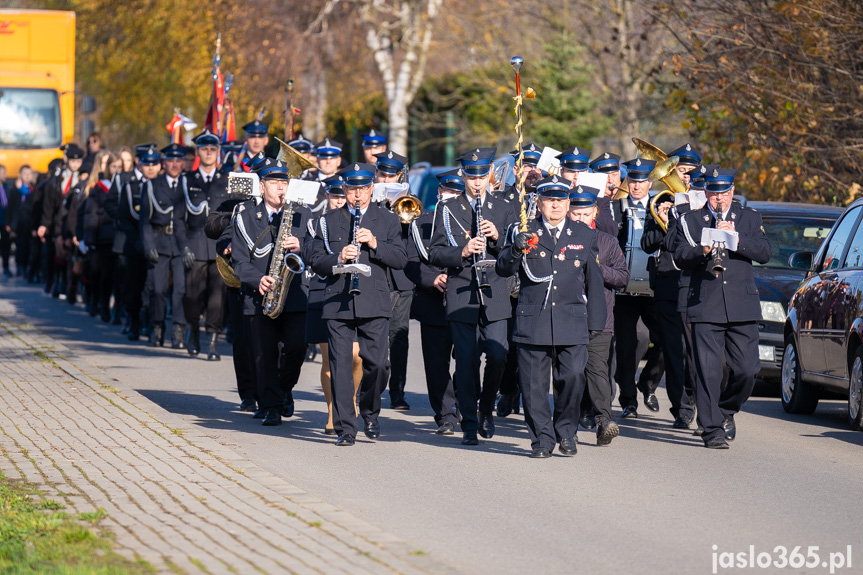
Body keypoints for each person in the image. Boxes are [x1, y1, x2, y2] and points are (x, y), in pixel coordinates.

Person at [496, 176, 606, 457]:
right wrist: (515, 249)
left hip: (572, 319)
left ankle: (566, 432)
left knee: (572, 378)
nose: (555, 205)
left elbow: (593, 280)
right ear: (540, 202)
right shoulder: (524, 231)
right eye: (549, 199)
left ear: (568, 203)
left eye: (560, 200)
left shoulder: (583, 234)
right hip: (534, 319)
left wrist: (597, 321)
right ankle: (542, 440)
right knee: (533, 386)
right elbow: (503, 269)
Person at [307, 162, 408, 446]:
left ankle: (370, 410)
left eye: (363, 189)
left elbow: (400, 259)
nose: (357, 195)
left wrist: (375, 243)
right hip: (338, 301)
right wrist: (337, 258)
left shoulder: (386, 220)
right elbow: (314, 259)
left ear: (371, 189)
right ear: (345, 190)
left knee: (378, 364)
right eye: (352, 189)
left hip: (374, 300)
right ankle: (345, 429)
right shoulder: (327, 221)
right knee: (340, 366)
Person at [673, 168, 771, 448]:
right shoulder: (690, 221)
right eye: (714, 193)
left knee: (747, 370)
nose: (720, 199)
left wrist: (737, 238)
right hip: (705, 303)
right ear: (706, 193)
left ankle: (725, 411)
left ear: (732, 190)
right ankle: (712, 429)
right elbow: (679, 256)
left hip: (742, 303)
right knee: (708, 370)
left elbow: (764, 253)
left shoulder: (749, 218)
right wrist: (701, 250)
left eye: (725, 193)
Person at [428, 148, 519, 445]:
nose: (477, 182)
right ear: (463, 175)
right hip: (462, 293)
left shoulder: (506, 205)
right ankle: (468, 422)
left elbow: (515, 253)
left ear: (490, 172)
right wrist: (462, 252)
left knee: (498, 356)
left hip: (495, 291)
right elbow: (435, 252)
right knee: (466, 361)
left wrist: (497, 237)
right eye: (471, 176)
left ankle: (486, 408)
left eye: (482, 175)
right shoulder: (448, 207)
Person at [231, 158, 311, 426]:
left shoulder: (302, 214)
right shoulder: (244, 217)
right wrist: (258, 280)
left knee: (298, 347)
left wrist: (302, 247)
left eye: (284, 182)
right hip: (259, 296)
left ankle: (284, 388)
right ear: (262, 186)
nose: (281, 188)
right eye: (275, 183)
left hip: (295, 294)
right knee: (263, 354)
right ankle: (271, 405)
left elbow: (316, 251)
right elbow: (240, 261)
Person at [301, 175, 363, 434]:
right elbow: (310, 254)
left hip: (356, 293)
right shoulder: (317, 223)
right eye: (335, 195)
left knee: (356, 357)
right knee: (331, 359)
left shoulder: (359, 221)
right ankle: (332, 408)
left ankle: (350, 401)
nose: (339, 200)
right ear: (327, 197)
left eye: (342, 195)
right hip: (323, 291)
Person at [405, 169, 463, 434]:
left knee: (467, 359)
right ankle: (446, 414)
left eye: (457, 193)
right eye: (448, 192)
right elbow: (411, 263)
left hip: (464, 302)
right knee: (437, 364)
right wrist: (434, 278)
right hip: (433, 303)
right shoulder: (423, 223)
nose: (451, 197)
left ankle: (464, 405)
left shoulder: (471, 221)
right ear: (440, 193)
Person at [568, 188, 627, 445]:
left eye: (585, 213)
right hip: (566, 315)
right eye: (576, 213)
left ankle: (604, 420)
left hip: (599, 317)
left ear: (594, 212)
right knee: (570, 371)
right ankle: (568, 420)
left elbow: (622, 277)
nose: (580, 218)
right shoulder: (561, 239)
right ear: (569, 213)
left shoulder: (607, 242)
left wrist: (597, 267)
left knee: (597, 369)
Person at [612, 157, 666, 419]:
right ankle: (628, 401)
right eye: (633, 180)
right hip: (624, 289)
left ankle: (647, 383)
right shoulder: (616, 208)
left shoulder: (661, 208)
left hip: (653, 289)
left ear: (650, 182)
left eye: (642, 181)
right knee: (626, 346)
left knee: (667, 339)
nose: (636, 186)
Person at [641, 190, 696, 428]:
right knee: (675, 352)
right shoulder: (662, 202)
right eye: (680, 172)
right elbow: (649, 243)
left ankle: (698, 401)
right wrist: (665, 221)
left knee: (697, 355)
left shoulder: (704, 208)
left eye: (687, 173)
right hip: (669, 286)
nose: (683, 178)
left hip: (698, 289)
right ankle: (682, 409)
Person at [179, 129, 231, 359]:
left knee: (217, 296)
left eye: (213, 149)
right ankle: (192, 328)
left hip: (219, 246)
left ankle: (211, 339)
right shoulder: (187, 180)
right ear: (198, 151)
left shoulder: (227, 179)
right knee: (191, 295)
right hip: (195, 243)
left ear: (218, 152)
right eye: (204, 149)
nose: (209, 153)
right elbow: (178, 218)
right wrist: (183, 246)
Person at [374, 150, 414, 410]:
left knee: (399, 338)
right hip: (375, 277)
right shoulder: (367, 200)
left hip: (400, 279)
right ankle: (373, 388)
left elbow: (412, 237)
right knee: (375, 340)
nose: (386, 180)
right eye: (382, 174)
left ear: (400, 176)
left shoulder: (409, 201)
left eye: (392, 175)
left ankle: (397, 393)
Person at [140, 143, 188, 348]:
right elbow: (144, 220)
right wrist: (148, 244)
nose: (175, 164)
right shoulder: (152, 185)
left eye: (178, 161)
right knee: (158, 290)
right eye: (170, 160)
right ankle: (157, 326)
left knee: (180, 289)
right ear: (163, 163)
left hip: (181, 244)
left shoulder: (188, 184)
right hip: (159, 242)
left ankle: (178, 330)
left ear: (183, 163)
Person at [4, 165, 36, 277]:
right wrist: (8, 223)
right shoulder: (14, 190)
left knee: (28, 246)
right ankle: (19, 266)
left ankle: (27, 266)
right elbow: (10, 208)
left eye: (29, 173)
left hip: (30, 223)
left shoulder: (34, 190)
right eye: (25, 173)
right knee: (19, 245)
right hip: (18, 223)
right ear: (20, 175)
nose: (27, 176)